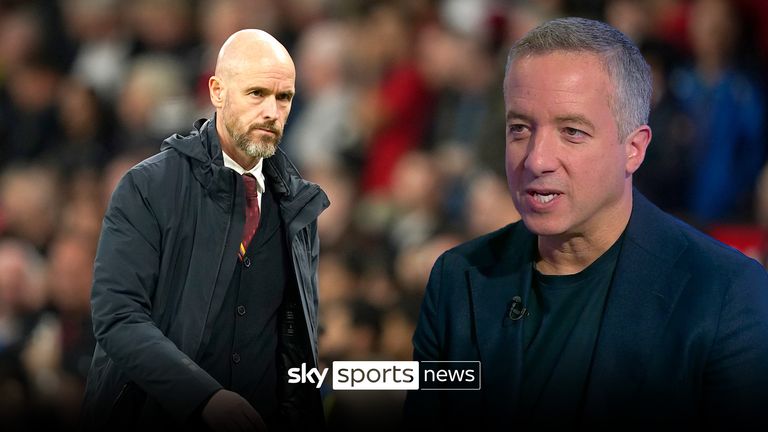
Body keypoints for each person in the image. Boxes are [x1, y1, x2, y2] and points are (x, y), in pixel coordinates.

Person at [405, 17, 768, 429]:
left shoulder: (723, 293)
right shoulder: (459, 279)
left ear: (634, 149)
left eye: (572, 131)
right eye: (520, 128)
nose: (537, 159)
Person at [81, 29, 329, 431]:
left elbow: (296, 346)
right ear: (217, 91)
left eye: (284, 98)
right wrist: (204, 398)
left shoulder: (298, 206)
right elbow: (118, 317)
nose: (272, 111)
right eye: (256, 93)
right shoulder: (149, 186)